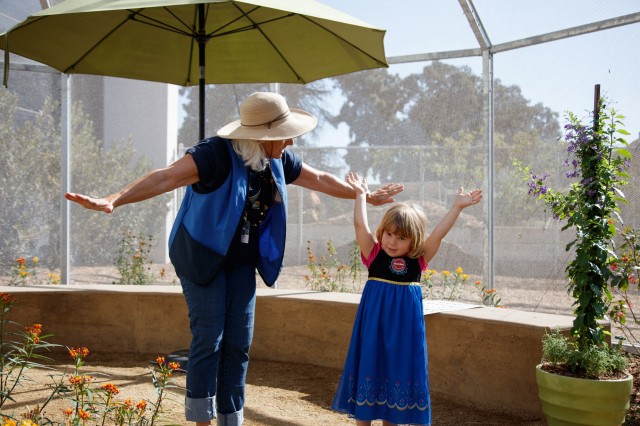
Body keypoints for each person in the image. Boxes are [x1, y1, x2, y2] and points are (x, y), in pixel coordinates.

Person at [64, 92, 404, 426]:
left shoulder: (277, 159)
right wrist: (114, 199)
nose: (291, 143)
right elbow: (167, 176)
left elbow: (318, 178)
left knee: (239, 341)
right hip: (202, 258)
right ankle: (202, 420)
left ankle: (231, 419)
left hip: (242, 260)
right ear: (262, 135)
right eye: (285, 136)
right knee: (210, 337)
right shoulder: (214, 154)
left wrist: (365, 195)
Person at [331, 172, 482, 426]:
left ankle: (393, 419)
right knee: (370, 365)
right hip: (374, 329)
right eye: (389, 234)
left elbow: (438, 235)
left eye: (401, 237)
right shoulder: (373, 252)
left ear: (414, 240)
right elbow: (360, 225)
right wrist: (360, 195)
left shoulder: (418, 259)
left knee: (397, 371)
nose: (392, 241)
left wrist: (456, 207)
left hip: (404, 331)